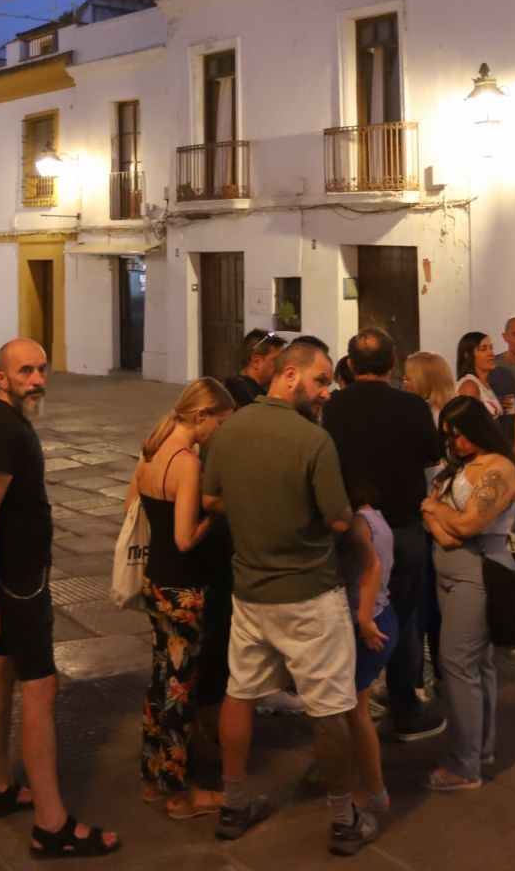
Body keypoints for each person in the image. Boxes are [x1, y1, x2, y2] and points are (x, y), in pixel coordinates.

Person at [201, 339, 372, 855]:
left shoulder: (230, 430)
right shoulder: (313, 441)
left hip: (250, 592)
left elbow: (210, 497)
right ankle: (343, 819)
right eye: (321, 381)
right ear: (290, 374)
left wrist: (253, 511)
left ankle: (235, 805)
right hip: (308, 595)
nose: (326, 393)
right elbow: (338, 519)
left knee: (240, 693)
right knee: (330, 707)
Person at [0, 339, 120, 856]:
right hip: (17, 584)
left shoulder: (2, 422)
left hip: (10, 580)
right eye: (25, 372)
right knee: (41, 686)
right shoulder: (4, 430)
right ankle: (51, 824)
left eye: (41, 370)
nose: (37, 380)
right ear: (1, 378)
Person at [323, 328, 447, 743]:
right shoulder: (411, 405)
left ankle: (350, 699)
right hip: (402, 524)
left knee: (351, 609)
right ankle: (405, 705)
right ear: (393, 363)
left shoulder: (335, 407)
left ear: (350, 364)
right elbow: (432, 453)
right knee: (404, 614)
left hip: (352, 525)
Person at [129, 378, 235, 819]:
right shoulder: (186, 462)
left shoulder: (152, 449)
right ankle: (179, 793)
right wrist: (217, 511)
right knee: (180, 689)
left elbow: (132, 507)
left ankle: (152, 777)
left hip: (156, 581)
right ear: (201, 416)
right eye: (220, 424)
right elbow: (185, 537)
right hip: (183, 589)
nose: (219, 434)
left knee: (160, 680)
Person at [420, 396, 515, 794]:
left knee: (457, 664)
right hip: (452, 571)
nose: (456, 442)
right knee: (476, 664)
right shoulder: (462, 466)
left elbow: (465, 526)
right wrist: (440, 521)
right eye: (449, 435)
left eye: (461, 434)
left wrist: (436, 512)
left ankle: (464, 765)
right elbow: (443, 527)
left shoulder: (499, 468)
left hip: (477, 573)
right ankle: (480, 748)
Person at [337, 473, 393, 815]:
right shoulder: (375, 515)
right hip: (383, 614)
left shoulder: (358, 524)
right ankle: (359, 778)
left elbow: (372, 567)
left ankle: (375, 790)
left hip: (369, 622)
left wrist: (364, 621)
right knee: (356, 708)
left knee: (356, 712)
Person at [224, 329, 284, 408]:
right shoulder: (246, 397)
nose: (281, 365)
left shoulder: (226, 388)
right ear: (256, 362)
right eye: (276, 360)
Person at [454, 331, 502, 418]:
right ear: (467, 355)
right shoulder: (470, 385)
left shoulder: (484, 384)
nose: (491, 353)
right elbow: (468, 422)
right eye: (483, 349)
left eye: (491, 348)